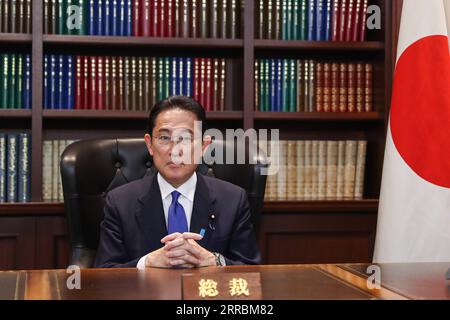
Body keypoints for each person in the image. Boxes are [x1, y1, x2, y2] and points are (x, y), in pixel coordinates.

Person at [94, 96, 261, 268]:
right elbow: (104, 271)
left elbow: (251, 269)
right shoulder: (120, 202)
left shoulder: (233, 200)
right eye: (165, 138)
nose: (175, 151)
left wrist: (215, 261)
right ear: (150, 144)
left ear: (204, 146)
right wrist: (146, 263)